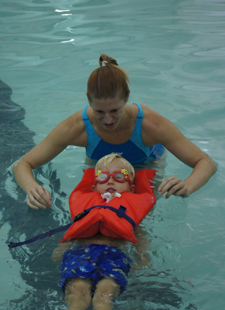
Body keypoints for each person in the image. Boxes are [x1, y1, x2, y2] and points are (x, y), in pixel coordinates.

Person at [12, 53, 217, 210]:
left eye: (115, 111)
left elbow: (206, 163)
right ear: (88, 99)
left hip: (145, 164)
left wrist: (188, 186)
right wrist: (32, 188)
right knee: (91, 213)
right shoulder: (77, 127)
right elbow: (23, 164)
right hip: (101, 168)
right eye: (99, 111)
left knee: (136, 219)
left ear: (127, 97)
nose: (108, 120)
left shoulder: (150, 124)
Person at [52, 154, 153, 310]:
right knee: (77, 292)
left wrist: (143, 257)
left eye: (119, 176)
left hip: (114, 256)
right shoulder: (85, 209)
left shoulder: (132, 213)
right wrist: (62, 248)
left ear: (131, 188)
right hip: (81, 253)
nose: (110, 180)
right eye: (103, 176)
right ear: (94, 187)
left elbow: (141, 238)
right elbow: (71, 234)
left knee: (105, 293)